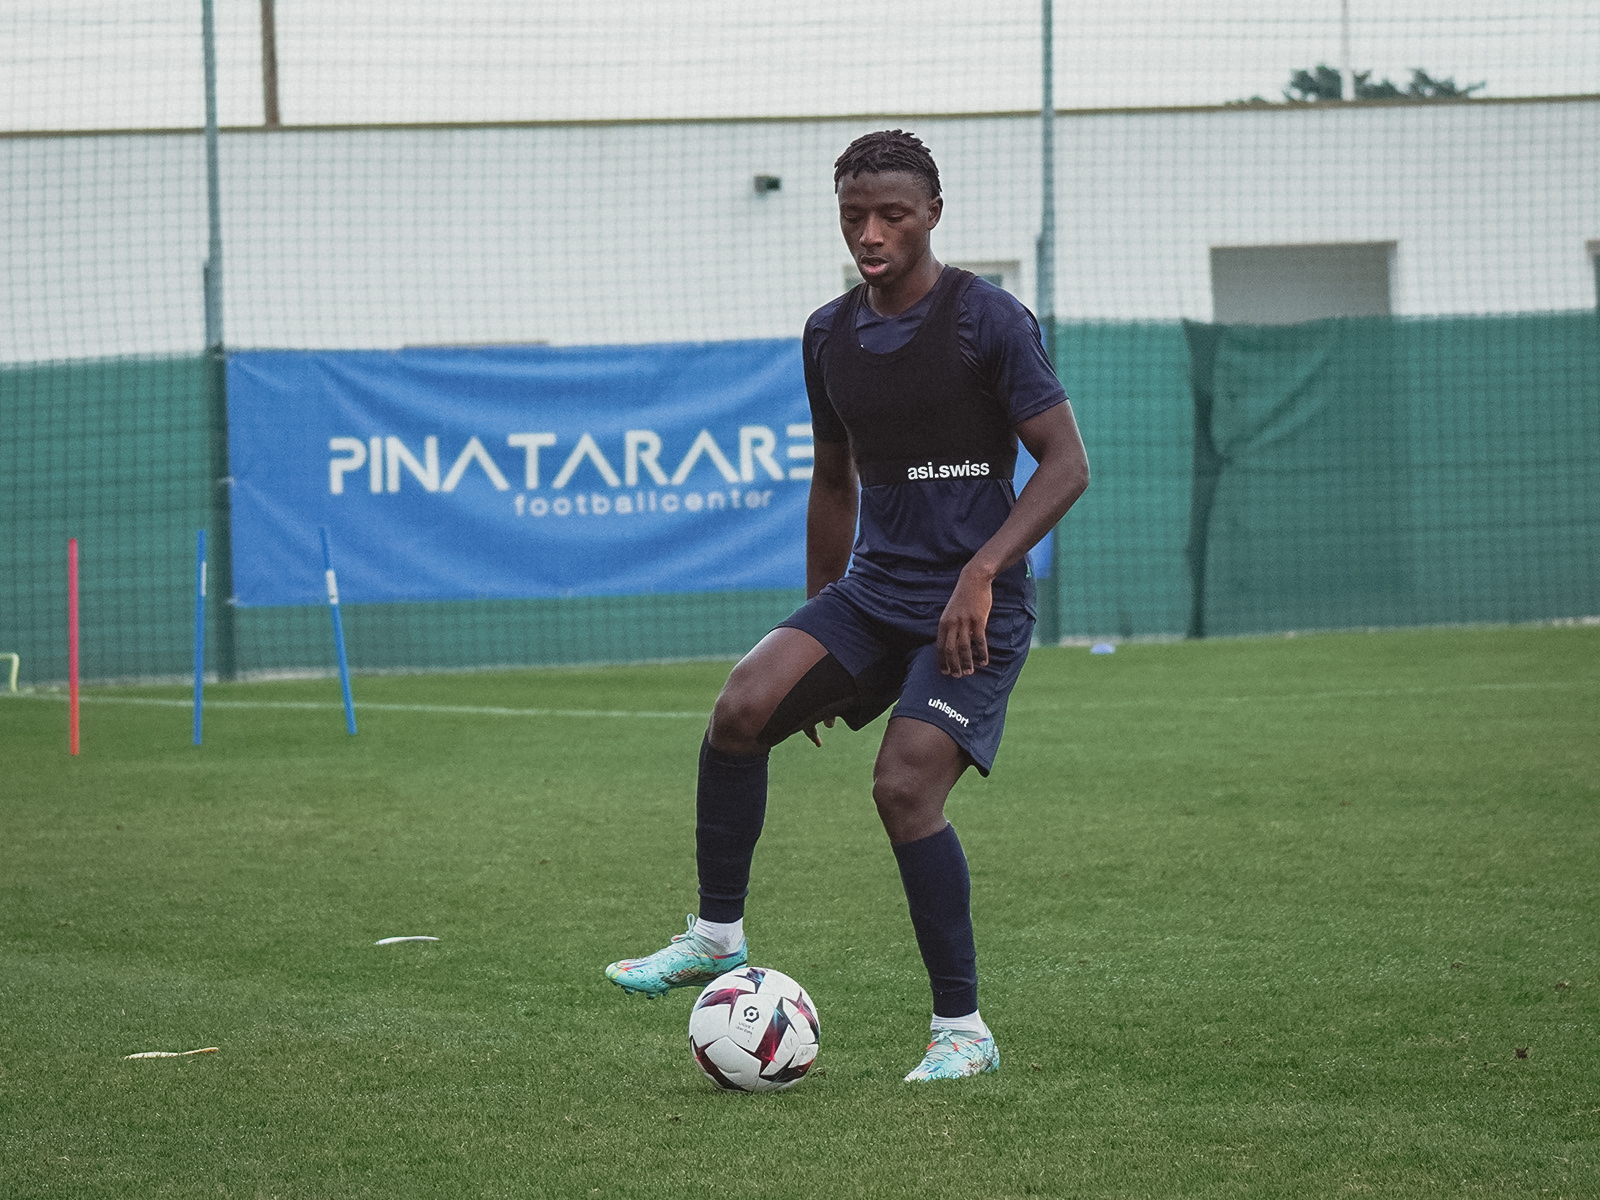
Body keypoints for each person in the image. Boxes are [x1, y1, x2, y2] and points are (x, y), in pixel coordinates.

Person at [605, 129, 1089, 1082]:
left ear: (932, 217)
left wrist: (983, 570)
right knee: (744, 705)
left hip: (972, 605)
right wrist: (822, 638)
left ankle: (963, 1031)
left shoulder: (989, 320)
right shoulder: (828, 333)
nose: (870, 234)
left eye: (891, 216)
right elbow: (834, 481)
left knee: (904, 788)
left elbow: (1066, 464)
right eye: (853, 217)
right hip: (873, 593)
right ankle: (715, 935)